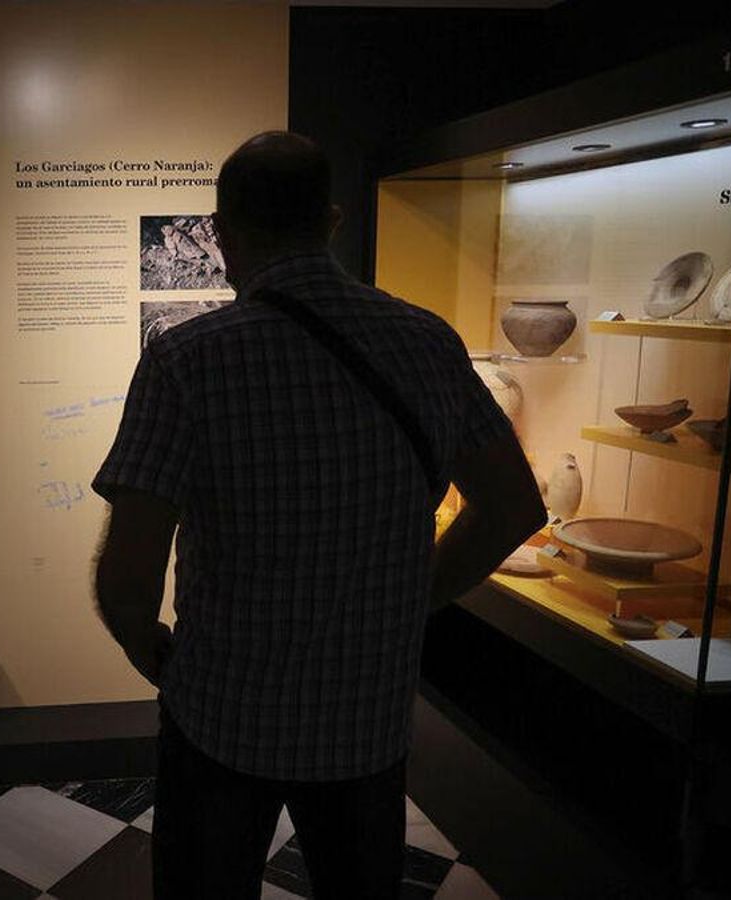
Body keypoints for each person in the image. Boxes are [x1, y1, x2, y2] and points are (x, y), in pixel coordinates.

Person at [91, 131, 546, 898]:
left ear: (223, 233)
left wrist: (147, 645)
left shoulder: (186, 359)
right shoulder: (429, 343)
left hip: (222, 716)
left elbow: (130, 573)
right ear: (332, 221)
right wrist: (414, 595)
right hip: (365, 718)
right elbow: (511, 508)